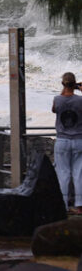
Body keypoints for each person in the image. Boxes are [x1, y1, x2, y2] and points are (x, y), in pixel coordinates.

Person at [51, 72, 82, 214]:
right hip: (79, 140)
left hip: (62, 140)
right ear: (75, 84)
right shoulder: (80, 100)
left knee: (63, 173)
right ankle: (79, 204)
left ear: (63, 84)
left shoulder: (57, 99)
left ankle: (62, 204)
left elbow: (54, 109)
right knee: (79, 173)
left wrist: (65, 89)